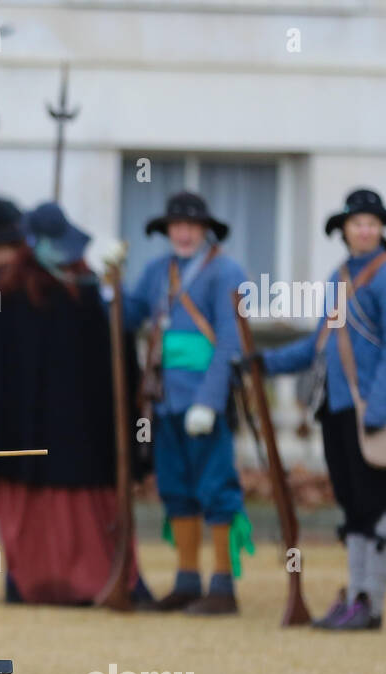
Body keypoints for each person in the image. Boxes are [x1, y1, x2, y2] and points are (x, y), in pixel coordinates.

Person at [0, 202, 146, 605]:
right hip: (27, 436)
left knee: (83, 513)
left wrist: (113, 296)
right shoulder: (3, 298)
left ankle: (92, 582)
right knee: (33, 516)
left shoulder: (90, 295)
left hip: (81, 434)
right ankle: (30, 583)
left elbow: (119, 353)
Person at [255, 188, 386, 630]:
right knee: (352, 504)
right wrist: (263, 364)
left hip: (372, 407)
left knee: (378, 506)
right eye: (357, 223)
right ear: (344, 230)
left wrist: (380, 406)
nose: (365, 230)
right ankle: (354, 594)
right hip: (337, 405)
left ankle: (372, 602)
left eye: (372, 223)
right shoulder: (338, 277)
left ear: (381, 229)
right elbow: (321, 344)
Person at [123, 192, 250, 614]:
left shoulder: (225, 270)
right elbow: (130, 313)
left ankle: (222, 584)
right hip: (164, 400)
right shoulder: (159, 269)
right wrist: (105, 283)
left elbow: (231, 340)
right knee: (176, 488)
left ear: (204, 230)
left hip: (204, 398)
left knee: (215, 488)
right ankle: (187, 579)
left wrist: (210, 400)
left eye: (191, 226)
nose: (183, 232)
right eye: (176, 225)